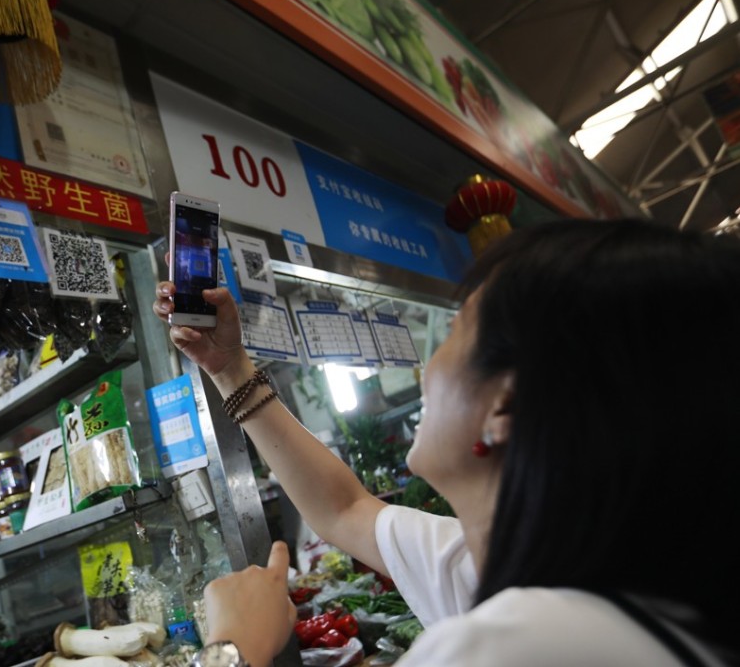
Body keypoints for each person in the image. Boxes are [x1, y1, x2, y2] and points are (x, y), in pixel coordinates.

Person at [153, 218, 740, 667]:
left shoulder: (518, 648)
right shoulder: (530, 580)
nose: (429, 365)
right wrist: (230, 369)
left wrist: (232, 649)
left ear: (503, 404)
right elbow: (345, 509)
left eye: (456, 332)